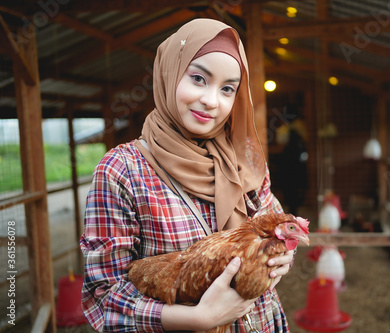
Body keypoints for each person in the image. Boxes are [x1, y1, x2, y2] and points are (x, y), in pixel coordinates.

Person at [80, 18, 294, 333]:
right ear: (169, 72)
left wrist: (280, 257)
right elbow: (102, 295)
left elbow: (275, 231)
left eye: (227, 89)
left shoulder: (244, 162)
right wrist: (198, 319)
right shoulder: (123, 169)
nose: (211, 100)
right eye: (198, 78)